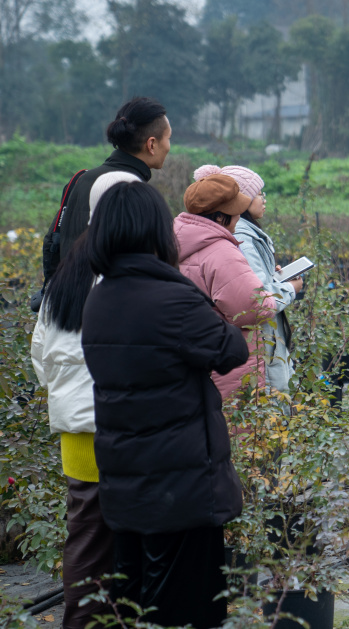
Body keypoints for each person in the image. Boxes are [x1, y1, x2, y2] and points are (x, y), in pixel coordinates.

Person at [80, 181, 248, 628]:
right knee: (188, 607)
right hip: (182, 485)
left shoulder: (100, 298)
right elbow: (231, 349)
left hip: (127, 478)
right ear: (156, 230)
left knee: (135, 601)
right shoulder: (171, 297)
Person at [31, 171, 139, 628]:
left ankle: (84, 619)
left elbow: (41, 355)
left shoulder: (67, 276)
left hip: (75, 427)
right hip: (115, 425)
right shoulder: (122, 276)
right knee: (119, 538)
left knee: (86, 533)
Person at [193, 164, 302, 393]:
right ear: (238, 201)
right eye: (258, 193)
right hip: (260, 348)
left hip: (257, 347)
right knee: (271, 408)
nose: (264, 199)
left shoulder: (236, 233)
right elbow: (256, 300)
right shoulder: (241, 235)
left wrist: (272, 277)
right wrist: (290, 288)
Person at [42, 97, 171, 286]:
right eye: (168, 138)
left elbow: (52, 244)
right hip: (106, 306)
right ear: (151, 144)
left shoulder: (80, 179)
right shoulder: (131, 190)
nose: (169, 146)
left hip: (68, 300)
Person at [175, 174, 276, 401]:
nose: (239, 216)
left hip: (191, 361)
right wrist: (269, 292)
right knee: (238, 432)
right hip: (229, 367)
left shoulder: (171, 244)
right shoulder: (220, 251)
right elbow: (254, 308)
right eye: (235, 211)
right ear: (220, 217)